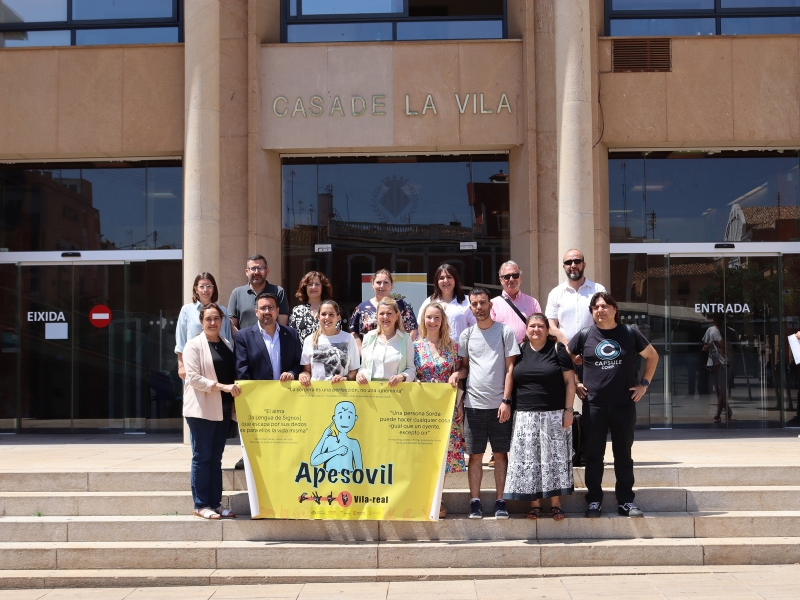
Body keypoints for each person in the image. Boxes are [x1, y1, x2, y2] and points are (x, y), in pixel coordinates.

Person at [568, 292, 659, 519]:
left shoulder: (629, 333)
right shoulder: (584, 336)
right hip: (594, 405)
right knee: (593, 455)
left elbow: (653, 355)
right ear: (592, 312)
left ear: (614, 309)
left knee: (623, 455)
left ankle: (626, 501)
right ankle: (594, 501)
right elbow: (565, 358)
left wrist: (644, 385)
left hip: (623, 404)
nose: (601, 310)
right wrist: (577, 381)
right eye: (596, 307)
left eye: (605, 306)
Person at [451, 287, 519, 520]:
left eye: (482, 302)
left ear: (491, 305)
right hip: (473, 405)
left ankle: (501, 501)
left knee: (500, 454)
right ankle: (475, 501)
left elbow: (511, 368)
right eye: (474, 304)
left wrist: (506, 401)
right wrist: (457, 384)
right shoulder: (466, 335)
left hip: (499, 405)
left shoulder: (504, 331)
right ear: (470, 307)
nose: (479, 307)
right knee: (476, 456)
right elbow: (465, 368)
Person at [504, 313, 576, 521]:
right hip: (524, 415)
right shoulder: (518, 351)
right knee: (530, 460)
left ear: (547, 329)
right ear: (526, 330)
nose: (536, 329)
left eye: (540, 326)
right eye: (532, 326)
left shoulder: (557, 350)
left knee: (553, 459)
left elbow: (570, 382)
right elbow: (511, 377)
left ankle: (555, 504)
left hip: (553, 414)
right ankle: (534, 504)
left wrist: (568, 410)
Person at [182, 303, 240, 520]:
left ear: (222, 321)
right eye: (208, 319)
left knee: (216, 458)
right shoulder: (193, 345)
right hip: (201, 410)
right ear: (201, 321)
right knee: (202, 457)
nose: (213, 323)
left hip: (222, 409)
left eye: (216, 318)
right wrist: (222, 387)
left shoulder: (225, 343)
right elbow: (194, 378)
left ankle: (215, 504)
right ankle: (200, 504)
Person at [233, 292, 302, 469]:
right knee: (261, 450)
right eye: (263, 308)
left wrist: (292, 374)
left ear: (278, 310)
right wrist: (255, 398)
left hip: (287, 402)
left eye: (271, 307)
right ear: (256, 311)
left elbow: (297, 363)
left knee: (285, 448)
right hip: (258, 403)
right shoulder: (244, 336)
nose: (267, 311)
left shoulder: (291, 334)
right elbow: (242, 370)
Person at [413, 302, 463, 518]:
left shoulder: (452, 347)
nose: (432, 322)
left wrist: (457, 374)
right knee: (422, 454)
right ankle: (423, 498)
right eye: (428, 317)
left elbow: (463, 369)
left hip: (445, 409)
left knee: (441, 455)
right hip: (421, 409)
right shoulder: (414, 346)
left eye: (436, 318)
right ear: (423, 320)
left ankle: (437, 499)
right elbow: (409, 372)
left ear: (442, 321)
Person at [175, 272, 233, 380]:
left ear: (214, 289)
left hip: (220, 360)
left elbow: (228, 339)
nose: (205, 290)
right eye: (201, 286)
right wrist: (181, 365)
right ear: (196, 289)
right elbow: (181, 340)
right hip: (195, 361)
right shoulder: (186, 310)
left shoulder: (222, 310)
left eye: (209, 286)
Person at [545, 249, 606, 346]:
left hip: (593, 349)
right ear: (564, 267)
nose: (573, 265)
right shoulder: (555, 293)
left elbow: (605, 320)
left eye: (577, 261)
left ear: (584, 265)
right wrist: (569, 348)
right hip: (564, 351)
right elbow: (551, 326)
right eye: (568, 262)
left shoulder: (598, 290)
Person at [350, 269, 418, 351]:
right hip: (370, 356)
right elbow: (353, 332)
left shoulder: (401, 305)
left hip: (397, 355)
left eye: (386, 282)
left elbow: (413, 328)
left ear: (391, 285)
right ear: (372, 284)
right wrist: (362, 351)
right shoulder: (362, 308)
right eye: (378, 282)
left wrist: (406, 349)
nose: (382, 286)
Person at [299, 300, 360, 386]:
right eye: (323, 314)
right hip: (317, 394)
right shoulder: (309, 340)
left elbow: (354, 370)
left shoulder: (349, 338)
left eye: (331, 314)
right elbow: (307, 371)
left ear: (338, 317)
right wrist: (304, 376)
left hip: (341, 392)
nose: (327, 317)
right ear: (318, 317)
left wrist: (345, 379)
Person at [356, 297, 415, 386]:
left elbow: (411, 369)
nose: (385, 317)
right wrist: (360, 375)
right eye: (382, 313)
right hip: (371, 392)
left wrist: (402, 376)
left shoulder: (405, 338)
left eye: (389, 313)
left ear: (396, 315)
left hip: (396, 391)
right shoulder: (369, 337)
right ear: (377, 316)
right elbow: (363, 367)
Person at [416, 264, 476, 343]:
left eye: (449, 277)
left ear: (455, 279)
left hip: (460, 352)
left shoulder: (467, 301)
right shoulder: (429, 302)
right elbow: (421, 328)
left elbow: (476, 328)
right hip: (434, 352)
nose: (445, 280)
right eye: (441, 278)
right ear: (437, 282)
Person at [228, 254, 289, 331]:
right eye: (253, 268)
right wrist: (242, 340)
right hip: (244, 342)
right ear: (247, 272)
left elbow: (282, 325)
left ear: (267, 271)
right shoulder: (237, 293)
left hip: (272, 341)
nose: (256, 272)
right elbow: (232, 326)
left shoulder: (278, 291)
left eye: (260, 268)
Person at [490, 260, 542, 345]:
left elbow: (540, 327)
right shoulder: (493, 304)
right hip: (504, 353)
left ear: (520, 278)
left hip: (528, 351)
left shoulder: (533, 302)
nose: (511, 279)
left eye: (515, 275)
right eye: (507, 277)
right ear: (501, 280)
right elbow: (490, 332)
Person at [289, 271, 345, 345]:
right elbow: (292, 337)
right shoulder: (297, 311)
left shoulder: (331, 309)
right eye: (310, 284)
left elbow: (337, 334)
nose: (313, 287)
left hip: (327, 354)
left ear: (323, 287)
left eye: (317, 284)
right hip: (304, 355)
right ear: (305, 288)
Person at [703, 315, 732, 423]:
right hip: (712, 362)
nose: (718, 322)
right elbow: (704, 347)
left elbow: (731, 349)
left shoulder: (728, 332)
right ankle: (728, 411)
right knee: (718, 391)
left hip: (723, 363)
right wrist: (708, 346)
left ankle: (717, 414)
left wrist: (722, 347)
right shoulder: (710, 330)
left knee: (721, 389)